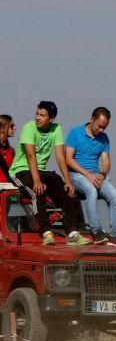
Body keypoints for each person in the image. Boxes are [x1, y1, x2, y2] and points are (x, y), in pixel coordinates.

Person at [9, 101, 90, 246]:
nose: (38, 117)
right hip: (21, 170)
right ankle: (46, 231)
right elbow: (30, 156)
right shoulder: (29, 127)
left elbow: (60, 156)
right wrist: (37, 181)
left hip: (41, 171)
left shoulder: (56, 129)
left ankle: (72, 232)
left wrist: (68, 181)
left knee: (67, 190)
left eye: (42, 115)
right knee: (36, 191)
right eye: (37, 114)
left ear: (51, 119)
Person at [64, 107, 116, 244]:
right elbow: (68, 159)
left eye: (105, 127)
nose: (102, 130)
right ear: (92, 119)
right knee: (91, 191)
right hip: (76, 174)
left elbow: (106, 162)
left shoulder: (104, 138)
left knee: (115, 197)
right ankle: (96, 231)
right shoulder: (75, 133)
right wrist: (87, 174)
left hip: (96, 175)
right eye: (99, 126)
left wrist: (102, 174)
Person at [0, 115, 15, 183]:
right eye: (11, 126)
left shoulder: (11, 150)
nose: (14, 128)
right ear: (2, 128)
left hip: (9, 188)